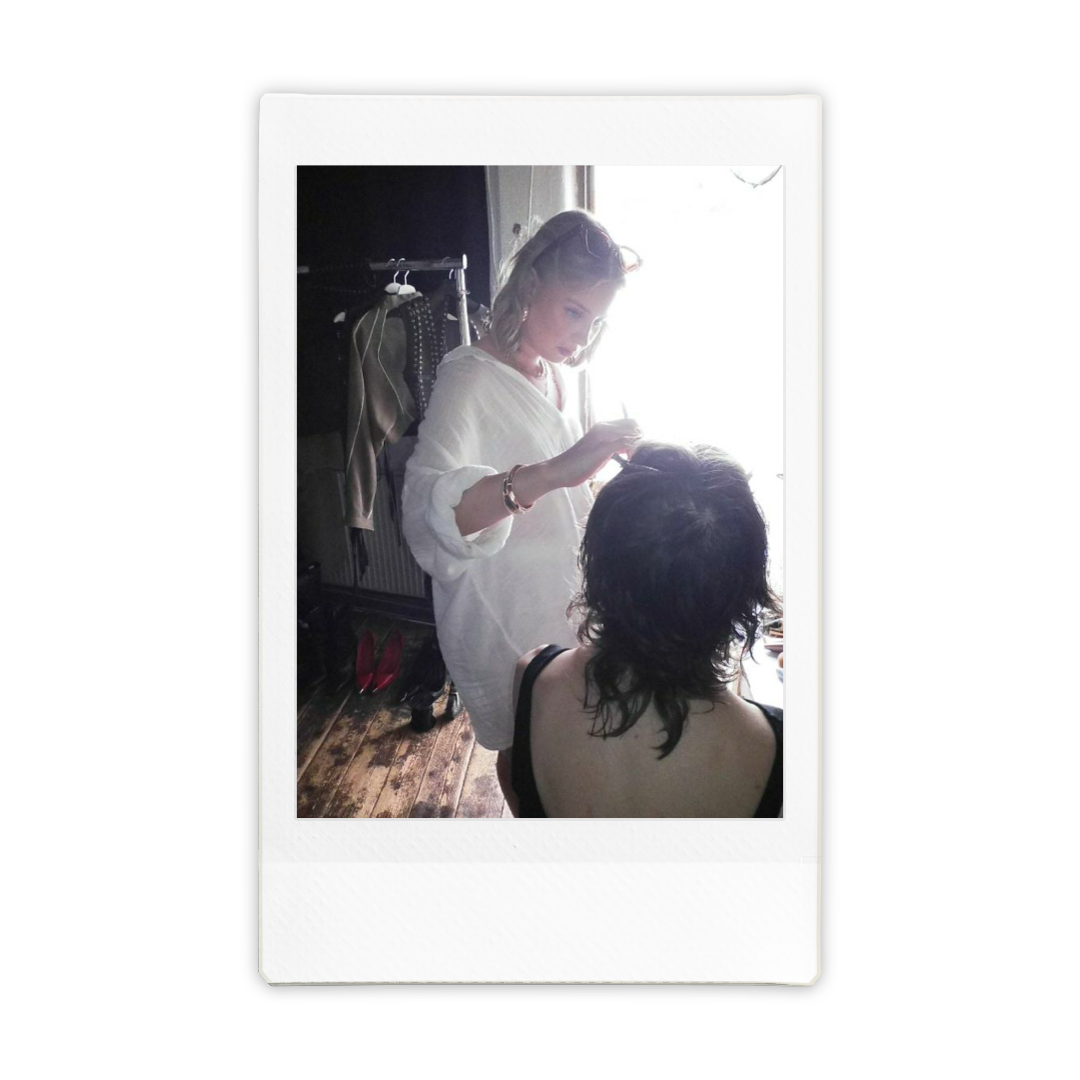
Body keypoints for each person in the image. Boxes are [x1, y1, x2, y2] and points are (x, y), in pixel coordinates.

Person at [401, 210, 643, 780]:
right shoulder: (468, 376)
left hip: (559, 596)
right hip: (503, 607)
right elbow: (427, 513)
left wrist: (602, 478)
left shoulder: (552, 373)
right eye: (574, 312)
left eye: (595, 321)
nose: (581, 337)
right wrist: (560, 469)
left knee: (568, 744)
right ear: (530, 284)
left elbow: (557, 486)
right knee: (527, 752)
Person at [509, 441, 783, 818]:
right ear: (743, 594)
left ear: (597, 567)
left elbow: (515, 790)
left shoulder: (533, 676)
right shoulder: (771, 746)